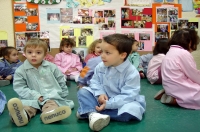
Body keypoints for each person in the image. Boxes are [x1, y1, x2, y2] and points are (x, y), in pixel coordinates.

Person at [77, 34, 146, 131]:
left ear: (122, 55)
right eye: (101, 51)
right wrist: (100, 93)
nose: (102, 56)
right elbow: (94, 82)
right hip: (101, 98)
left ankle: (89, 112)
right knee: (83, 91)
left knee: (132, 111)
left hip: (122, 102)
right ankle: (92, 113)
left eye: (107, 53)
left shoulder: (132, 72)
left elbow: (129, 95)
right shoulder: (100, 66)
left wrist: (109, 104)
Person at [7, 38, 73, 127]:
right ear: (25, 53)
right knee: (27, 106)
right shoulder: (20, 71)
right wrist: (35, 95)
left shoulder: (52, 67)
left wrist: (63, 94)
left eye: (38, 52)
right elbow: (20, 87)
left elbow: (61, 80)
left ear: (45, 54)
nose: (33, 55)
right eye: (30, 52)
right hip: (31, 98)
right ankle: (22, 115)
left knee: (52, 105)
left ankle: (50, 115)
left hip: (51, 96)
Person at [155, 29, 200, 109]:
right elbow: (194, 75)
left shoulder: (170, 51)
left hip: (170, 87)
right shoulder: (183, 53)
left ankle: (172, 96)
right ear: (190, 42)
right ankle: (177, 100)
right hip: (180, 88)